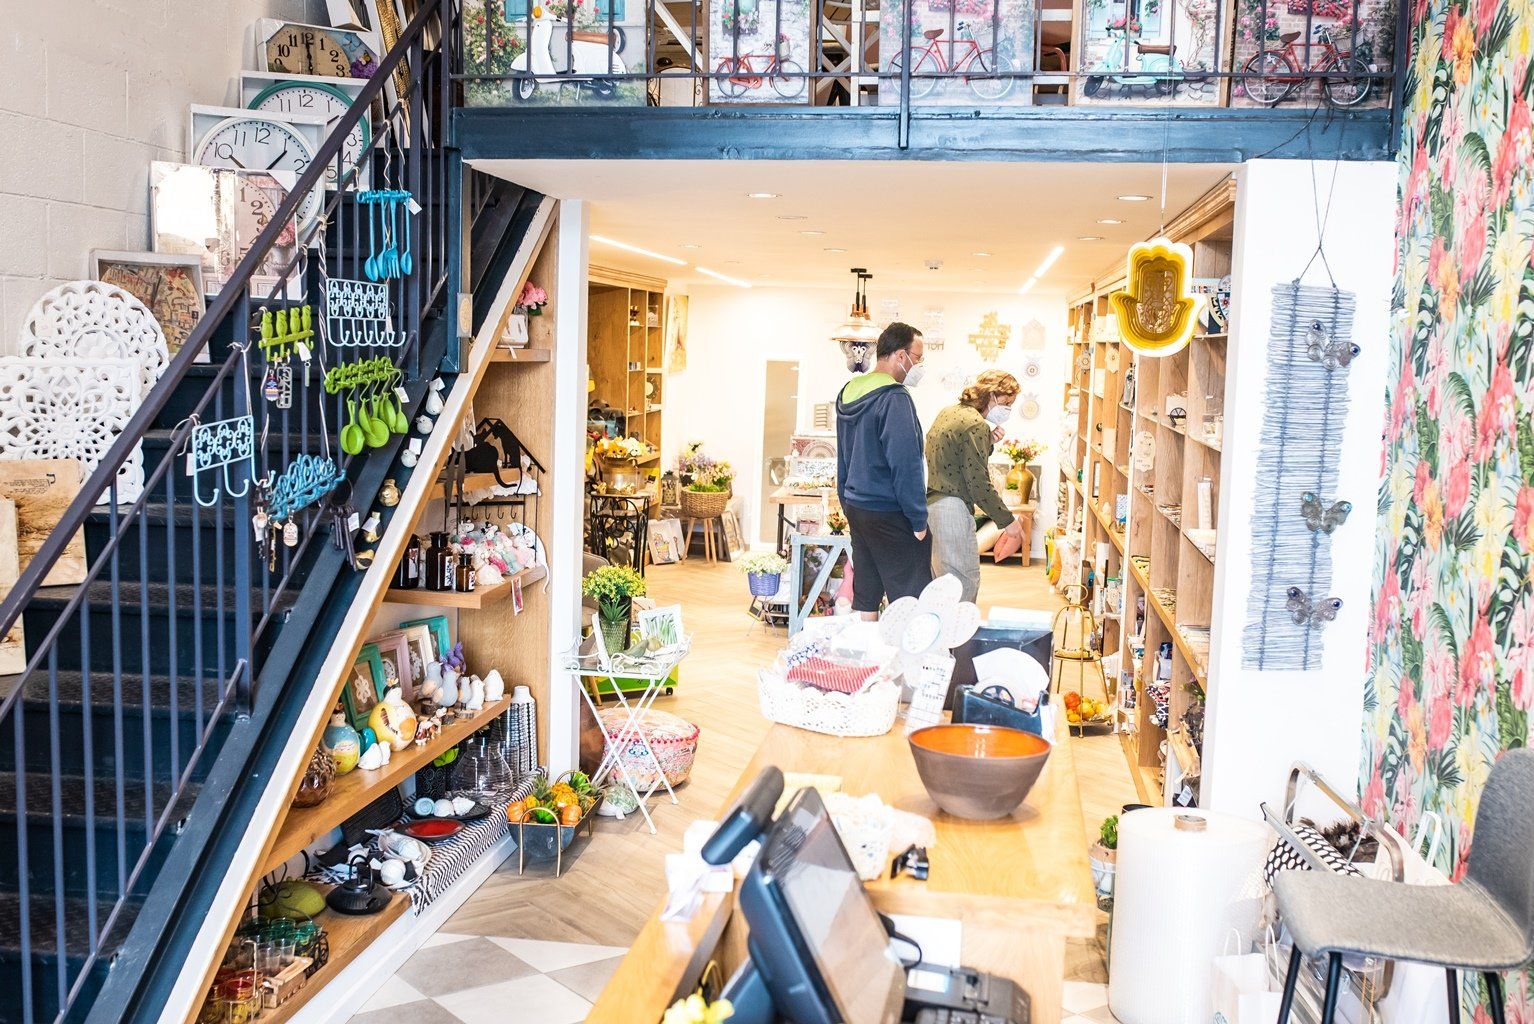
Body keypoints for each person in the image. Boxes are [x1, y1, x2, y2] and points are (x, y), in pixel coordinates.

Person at [835, 322, 931, 618]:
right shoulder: (894, 398)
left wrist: (846, 501)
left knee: (867, 588)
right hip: (890, 510)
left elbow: (843, 456)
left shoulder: (848, 392)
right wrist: (918, 519)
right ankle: (907, 647)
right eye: (918, 358)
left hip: (857, 506)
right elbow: (906, 463)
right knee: (911, 595)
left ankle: (866, 644)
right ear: (901, 356)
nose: (919, 366)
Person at [925, 370, 1027, 603]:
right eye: (1007, 403)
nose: (1008, 410)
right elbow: (978, 483)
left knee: (942, 585)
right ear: (991, 395)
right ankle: (959, 629)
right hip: (953, 508)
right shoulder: (975, 425)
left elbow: (955, 458)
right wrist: (1007, 521)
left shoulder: (949, 412)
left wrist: (987, 442)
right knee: (961, 585)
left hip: (933, 505)